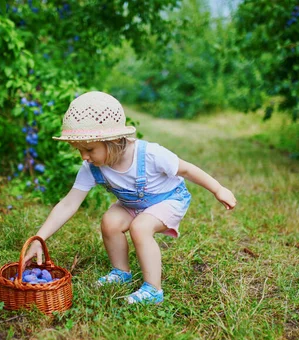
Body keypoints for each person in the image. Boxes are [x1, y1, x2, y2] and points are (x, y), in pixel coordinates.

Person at [23, 91, 236, 304]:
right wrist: (40, 238)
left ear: (114, 140)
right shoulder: (91, 167)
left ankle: (153, 290)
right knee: (110, 221)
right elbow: (68, 204)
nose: (84, 157)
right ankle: (121, 272)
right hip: (133, 204)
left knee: (140, 227)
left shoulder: (151, 154)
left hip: (169, 200)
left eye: (89, 149)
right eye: (79, 150)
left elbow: (187, 170)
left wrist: (218, 189)